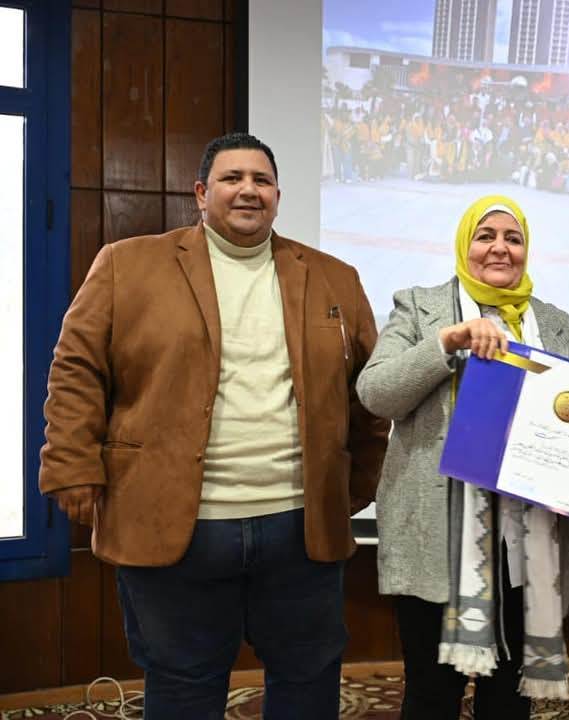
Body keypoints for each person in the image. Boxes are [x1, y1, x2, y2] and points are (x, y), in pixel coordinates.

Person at [39, 132, 390, 719]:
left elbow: (368, 392)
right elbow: (76, 368)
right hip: (178, 525)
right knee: (184, 685)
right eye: (232, 178)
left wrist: (357, 485)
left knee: (308, 677)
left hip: (299, 527)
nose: (248, 190)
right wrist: (71, 464)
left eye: (262, 180)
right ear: (201, 193)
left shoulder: (335, 277)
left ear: (278, 196)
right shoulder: (129, 265)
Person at [357, 195, 569, 720]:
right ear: (464, 245)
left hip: (526, 543)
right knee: (432, 696)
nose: (500, 248)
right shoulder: (420, 307)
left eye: (513, 238)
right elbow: (376, 393)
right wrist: (446, 343)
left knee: (509, 701)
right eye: (486, 236)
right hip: (438, 539)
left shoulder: (556, 323)